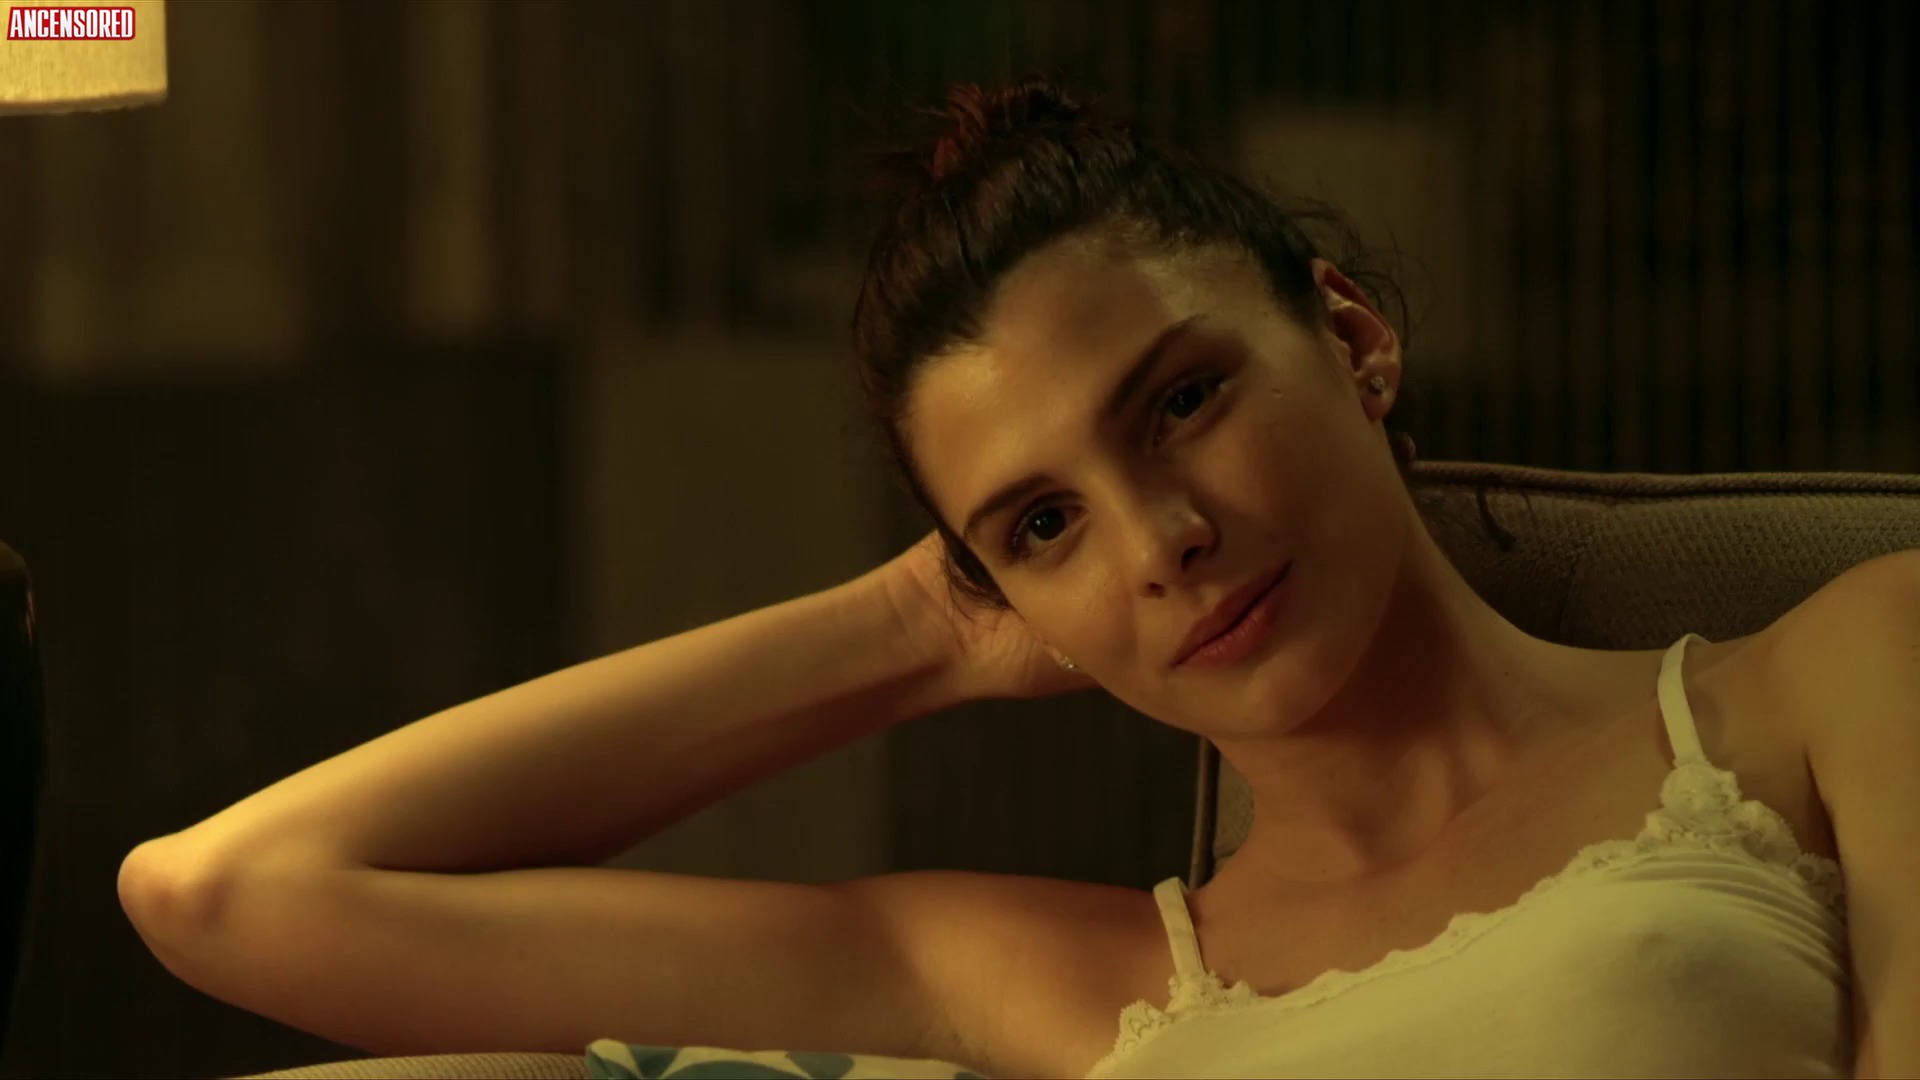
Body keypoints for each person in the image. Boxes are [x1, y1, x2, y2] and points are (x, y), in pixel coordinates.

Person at [117, 77, 1911, 1079]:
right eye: (1042, 525)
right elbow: (232, 895)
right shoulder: (1062, 976)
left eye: (1183, 403)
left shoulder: (1841, 671)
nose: (1160, 542)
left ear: (1352, 337)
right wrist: (911, 628)